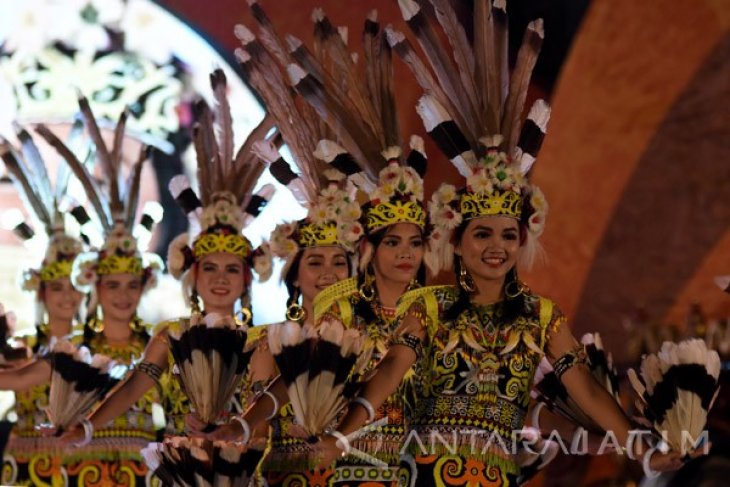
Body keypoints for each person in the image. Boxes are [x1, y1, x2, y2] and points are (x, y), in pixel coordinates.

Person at [59, 70, 275, 458]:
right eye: (210, 268)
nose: (220, 279)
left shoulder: (262, 342)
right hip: (177, 469)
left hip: (239, 470)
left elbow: (265, 414)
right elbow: (133, 386)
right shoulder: (170, 336)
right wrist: (89, 425)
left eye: (230, 269)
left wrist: (236, 431)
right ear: (192, 274)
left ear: (247, 278)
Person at [0, 129, 86, 485]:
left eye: (73, 287)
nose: (66, 297)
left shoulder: (95, 350)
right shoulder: (21, 349)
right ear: (40, 292)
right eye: (56, 288)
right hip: (23, 469)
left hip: (86, 469)